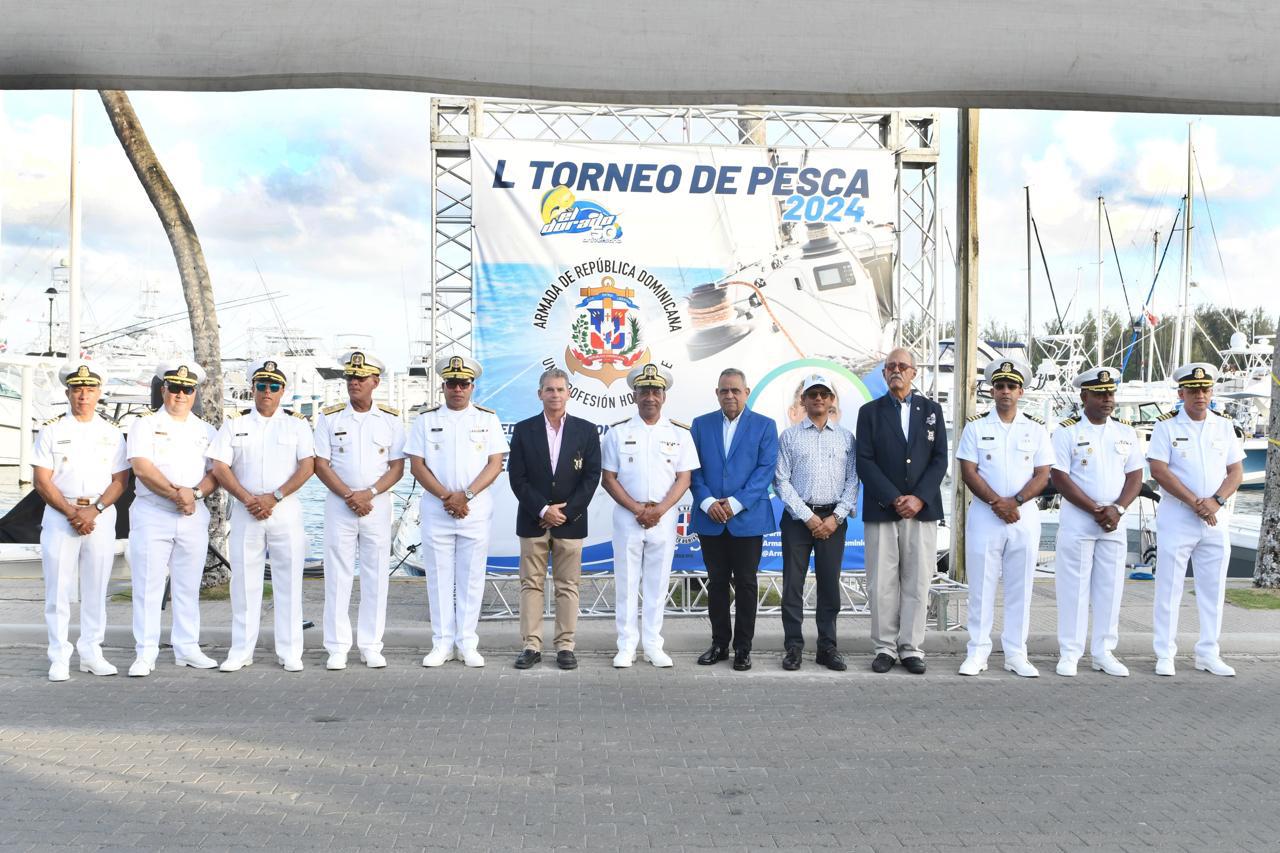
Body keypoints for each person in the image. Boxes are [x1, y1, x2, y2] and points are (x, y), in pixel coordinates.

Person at [207, 358, 316, 673]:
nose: (267, 392)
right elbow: (219, 466)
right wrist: (246, 498)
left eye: (273, 386)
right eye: (261, 386)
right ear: (252, 388)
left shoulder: (297, 424)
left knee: (289, 582)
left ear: (282, 391)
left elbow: (307, 467)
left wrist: (275, 496)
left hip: (285, 512)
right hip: (245, 511)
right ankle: (241, 650)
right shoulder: (234, 424)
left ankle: (291, 651)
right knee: (243, 583)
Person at [406, 355, 508, 668]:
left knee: (471, 577)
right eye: (451, 383)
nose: (457, 389)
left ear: (472, 386)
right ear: (443, 386)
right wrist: (447, 497)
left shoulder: (486, 419)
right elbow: (417, 465)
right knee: (438, 576)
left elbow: (495, 463)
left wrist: (466, 496)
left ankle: (467, 642)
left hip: (474, 509)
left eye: (463, 383)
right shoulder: (425, 419)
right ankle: (442, 643)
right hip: (438, 509)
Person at [955, 358, 1053, 678]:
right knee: (981, 586)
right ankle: (978, 650)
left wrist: (1017, 501)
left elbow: (1043, 473)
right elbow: (968, 471)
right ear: (992, 391)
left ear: (1021, 391)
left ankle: (1016, 652)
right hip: (986, 515)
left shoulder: (1036, 428)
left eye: (1011, 386)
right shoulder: (976, 426)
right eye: (1000, 386)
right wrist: (998, 502)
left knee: (1020, 586)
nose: (1005, 392)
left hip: (1023, 517)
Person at [31, 362, 129, 682]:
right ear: (68, 393)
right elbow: (42, 481)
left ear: (99, 393)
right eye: (77, 390)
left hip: (99, 515)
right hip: (62, 515)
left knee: (96, 587)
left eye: (89, 390)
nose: (83, 396)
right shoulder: (52, 430)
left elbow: (120, 481)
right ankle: (59, 655)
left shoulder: (112, 433)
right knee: (58, 590)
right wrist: (73, 513)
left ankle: (91, 651)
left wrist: (94, 510)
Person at [1148, 362, 1245, 677]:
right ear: (1182, 393)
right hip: (1178, 516)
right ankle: (1165, 652)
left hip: (1215, 519)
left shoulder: (1224, 426)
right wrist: (1195, 502)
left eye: (1205, 390)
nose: (1199, 395)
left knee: (1213, 588)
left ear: (1211, 392)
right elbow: (1159, 470)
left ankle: (1208, 652)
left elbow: (1236, 471)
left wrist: (1215, 502)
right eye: (1193, 390)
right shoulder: (1167, 427)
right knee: (1169, 587)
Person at [856, 348, 948, 674]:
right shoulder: (869, 412)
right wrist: (895, 497)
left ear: (914, 372)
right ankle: (884, 647)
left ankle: (911, 648)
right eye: (890, 366)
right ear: (884, 374)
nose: (896, 370)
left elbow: (940, 461)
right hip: (883, 509)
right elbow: (864, 461)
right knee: (881, 582)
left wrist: (918, 498)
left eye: (902, 366)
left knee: (918, 580)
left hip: (921, 511)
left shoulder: (932, 411)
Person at [600, 363, 698, 668]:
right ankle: (626, 645)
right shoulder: (618, 432)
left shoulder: (679, 433)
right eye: (644, 391)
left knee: (657, 584)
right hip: (629, 516)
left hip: (663, 516)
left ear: (664, 396)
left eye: (656, 391)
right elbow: (608, 477)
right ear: (635, 395)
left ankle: (654, 644)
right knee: (627, 583)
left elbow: (684, 478)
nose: (650, 397)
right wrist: (637, 509)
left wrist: (660, 510)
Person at [125, 361, 219, 677]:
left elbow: (214, 474)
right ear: (164, 389)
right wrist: (176, 495)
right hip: (153, 513)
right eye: (174, 387)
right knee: (148, 585)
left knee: (187, 586)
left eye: (187, 389)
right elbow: (141, 467)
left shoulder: (207, 431)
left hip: (192, 515)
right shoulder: (145, 425)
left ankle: (187, 647)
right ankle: (145, 652)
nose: (180, 394)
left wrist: (195, 494)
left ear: (195, 393)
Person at [314, 350, 406, 670]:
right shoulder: (330, 416)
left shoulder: (392, 419)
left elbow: (397, 467)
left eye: (361, 377)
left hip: (377, 505)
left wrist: (369, 493)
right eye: (350, 377)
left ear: (375, 382)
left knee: (376, 574)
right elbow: (320, 464)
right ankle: (338, 646)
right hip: (340, 504)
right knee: (337, 575)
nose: (354, 382)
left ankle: (371, 644)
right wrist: (349, 495)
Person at [1050, 367, 1144, 678]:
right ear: (1084, 396)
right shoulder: (1066, 432)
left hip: (1114, 523)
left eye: (1111, 394)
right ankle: (1070, 652)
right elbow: (1059, 477)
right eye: (1100, 394)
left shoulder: (1125, 433)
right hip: (1080, 522)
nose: (1107, 399)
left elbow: (1135, 476)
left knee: (1110, 588)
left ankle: (1104, 651)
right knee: (1073, 589)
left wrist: (1117, 508)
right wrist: (1095, 509)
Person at [506, 367, 601, 671]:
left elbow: (591, 476)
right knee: (531, 584)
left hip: (570, 521)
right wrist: (543, 510)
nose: (555, 395)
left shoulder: (586, 430)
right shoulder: (523, 430)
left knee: (568, 585)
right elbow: (516, 477)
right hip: (533, 520)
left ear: (569, 393)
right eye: (549, 389)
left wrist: (566, 511)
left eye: (560, 389)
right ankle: (531, 645)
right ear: (540, 393)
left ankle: (565, 646)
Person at [690, 368, 778, 671]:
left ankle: (743, 647)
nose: (730, 395)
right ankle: (719, 644)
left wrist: (736, 503)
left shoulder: (765, 426)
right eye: (724, 390)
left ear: (746, 392)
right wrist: (708, 501)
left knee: (746, 583)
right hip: (710, 517)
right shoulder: (700, 426)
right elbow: (693, 469)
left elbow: (765, 470)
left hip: (748, 519)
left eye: (735, 390)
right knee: (716, 584)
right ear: (717, 393)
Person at [773, 372, 857, 671]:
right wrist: (808, 517)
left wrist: (836, 517)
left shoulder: (847, 438)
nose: (818, 398)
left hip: (834, 520)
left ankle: (827, 648)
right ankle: (793, 647)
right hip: (798, 520)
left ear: (831, 400)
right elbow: (781, 481)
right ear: (803, 400)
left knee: (829, 586)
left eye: (823, 393)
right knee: (793, 585)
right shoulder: (790, 436)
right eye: (812, 394)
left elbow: (853, 480)